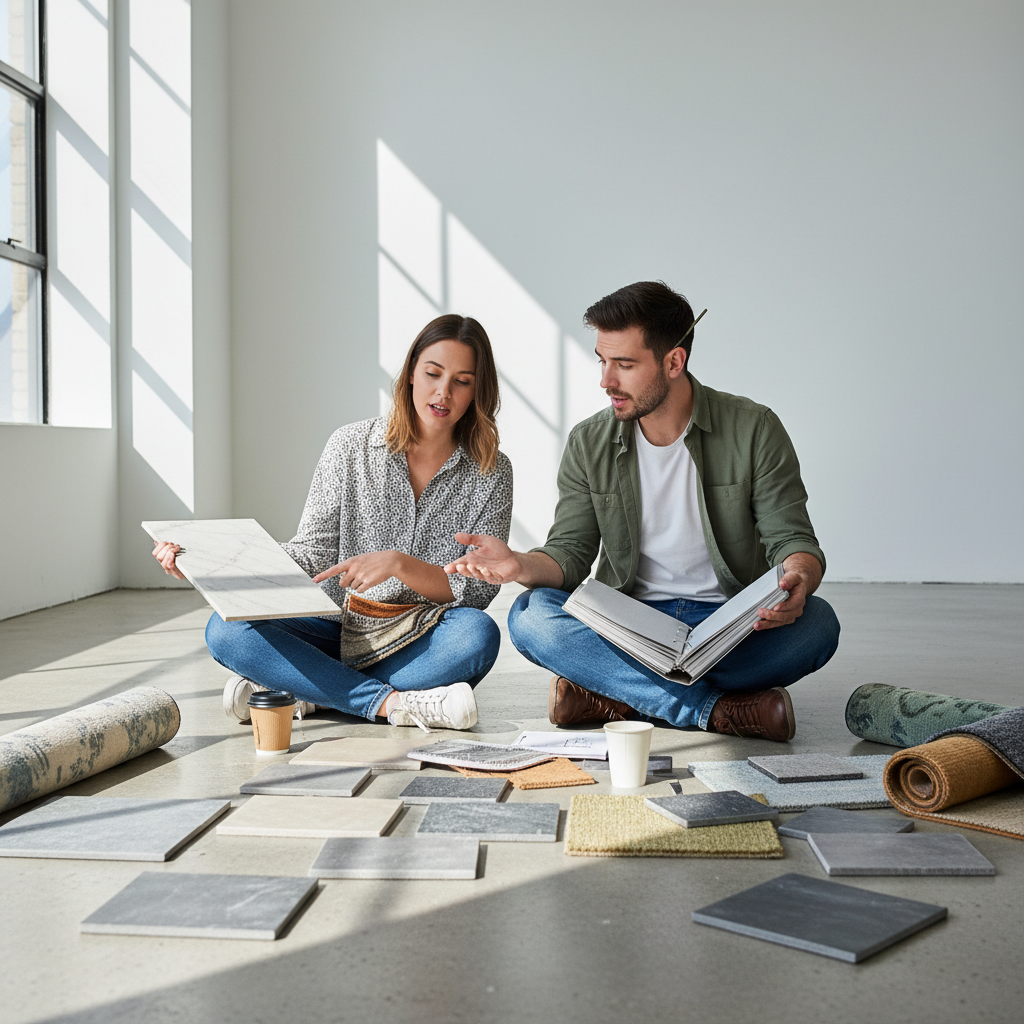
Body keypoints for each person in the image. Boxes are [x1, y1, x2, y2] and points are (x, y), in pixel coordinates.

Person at [444, 281, 839, 741]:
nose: (606, 380)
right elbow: (570, 553)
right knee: (530, 613)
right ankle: (712, 711)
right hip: (629, 629)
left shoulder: (755, 429)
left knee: (818, 624)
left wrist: (796, 579)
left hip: (729, 627)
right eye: (603, 361)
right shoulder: (588, 441)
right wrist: (520, 565)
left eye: (625, 364)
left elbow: (792, 540)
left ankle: (613, 696)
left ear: (674, 361)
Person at [153, 314, 512, 732]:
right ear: (411, 373)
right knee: (225, 631)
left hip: (416, 637)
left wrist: (400, 564)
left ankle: (305, 691)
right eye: (433, 373)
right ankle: (390, 703)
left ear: (477, 391)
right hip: (331, 627)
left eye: (462, 381)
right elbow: (312, 550)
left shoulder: (492, 470)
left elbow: (478, 589)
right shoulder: (350, 445)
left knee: (477, 636)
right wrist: (207, 564)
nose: (443, 392)